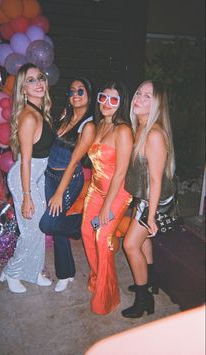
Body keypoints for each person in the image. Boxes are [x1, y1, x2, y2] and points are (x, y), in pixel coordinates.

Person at [122, 80, 176, 318]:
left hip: (153, 198)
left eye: (147, 97)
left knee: (130, 244)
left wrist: (151, 216)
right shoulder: (140, 127)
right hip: (143, 195)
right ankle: (150, 279)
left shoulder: (154, 134)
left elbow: (155, 180)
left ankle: (143, 300)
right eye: (138, 93)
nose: (138, 99)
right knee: (142, 242)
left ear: (157, 105)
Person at [0, 63, 55, 293]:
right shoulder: (29, 117)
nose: (38, 83)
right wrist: (27, 197)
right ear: (23, 89)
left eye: (40, 78)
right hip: (25, 178)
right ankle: (13, 272)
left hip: (36, 176)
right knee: (32, 230)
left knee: (38, 228)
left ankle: (32, 271)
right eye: (31, 80)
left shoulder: (40, 112)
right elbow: (24, 161)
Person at [39, 77, 96, 292]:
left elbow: (74, 162)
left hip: (69, 180)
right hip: (50, 176)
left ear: (89, 96)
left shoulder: (88, 126)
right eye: (72, 91)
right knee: (56, 228)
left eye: (81, 91)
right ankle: (66, 273)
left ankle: (81, 226)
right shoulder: (65, 116)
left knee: (48, 224)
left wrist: (59, 192)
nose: (75, 95)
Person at [81, 80, 133, 315]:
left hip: (118, 192)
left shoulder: (123, 130)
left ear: (121, 104)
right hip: (96, 188)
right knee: (85, 232)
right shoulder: (99, 125)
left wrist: (107, 207)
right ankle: (96, 276)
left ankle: (107, 293)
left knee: (103, 238)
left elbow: (121, 172)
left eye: (113, 99)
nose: (107, 103)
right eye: (103, 97)